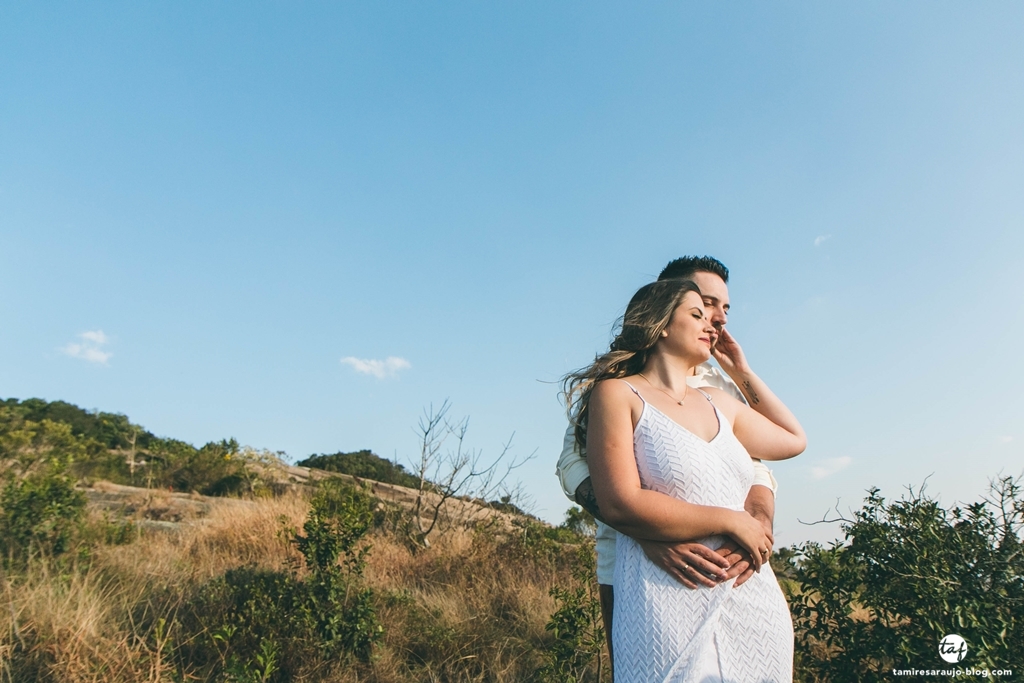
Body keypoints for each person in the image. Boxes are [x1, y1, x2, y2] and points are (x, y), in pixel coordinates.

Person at [564, 277, 806, 681]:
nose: (713, 323)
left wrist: (740, 370)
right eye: (697, 314)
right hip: (665, 596)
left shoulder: (720, 402)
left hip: (752, 600)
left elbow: (793, 439)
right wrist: (731, 520)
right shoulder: (616, 394)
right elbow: (620, 502)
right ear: (660, 324)